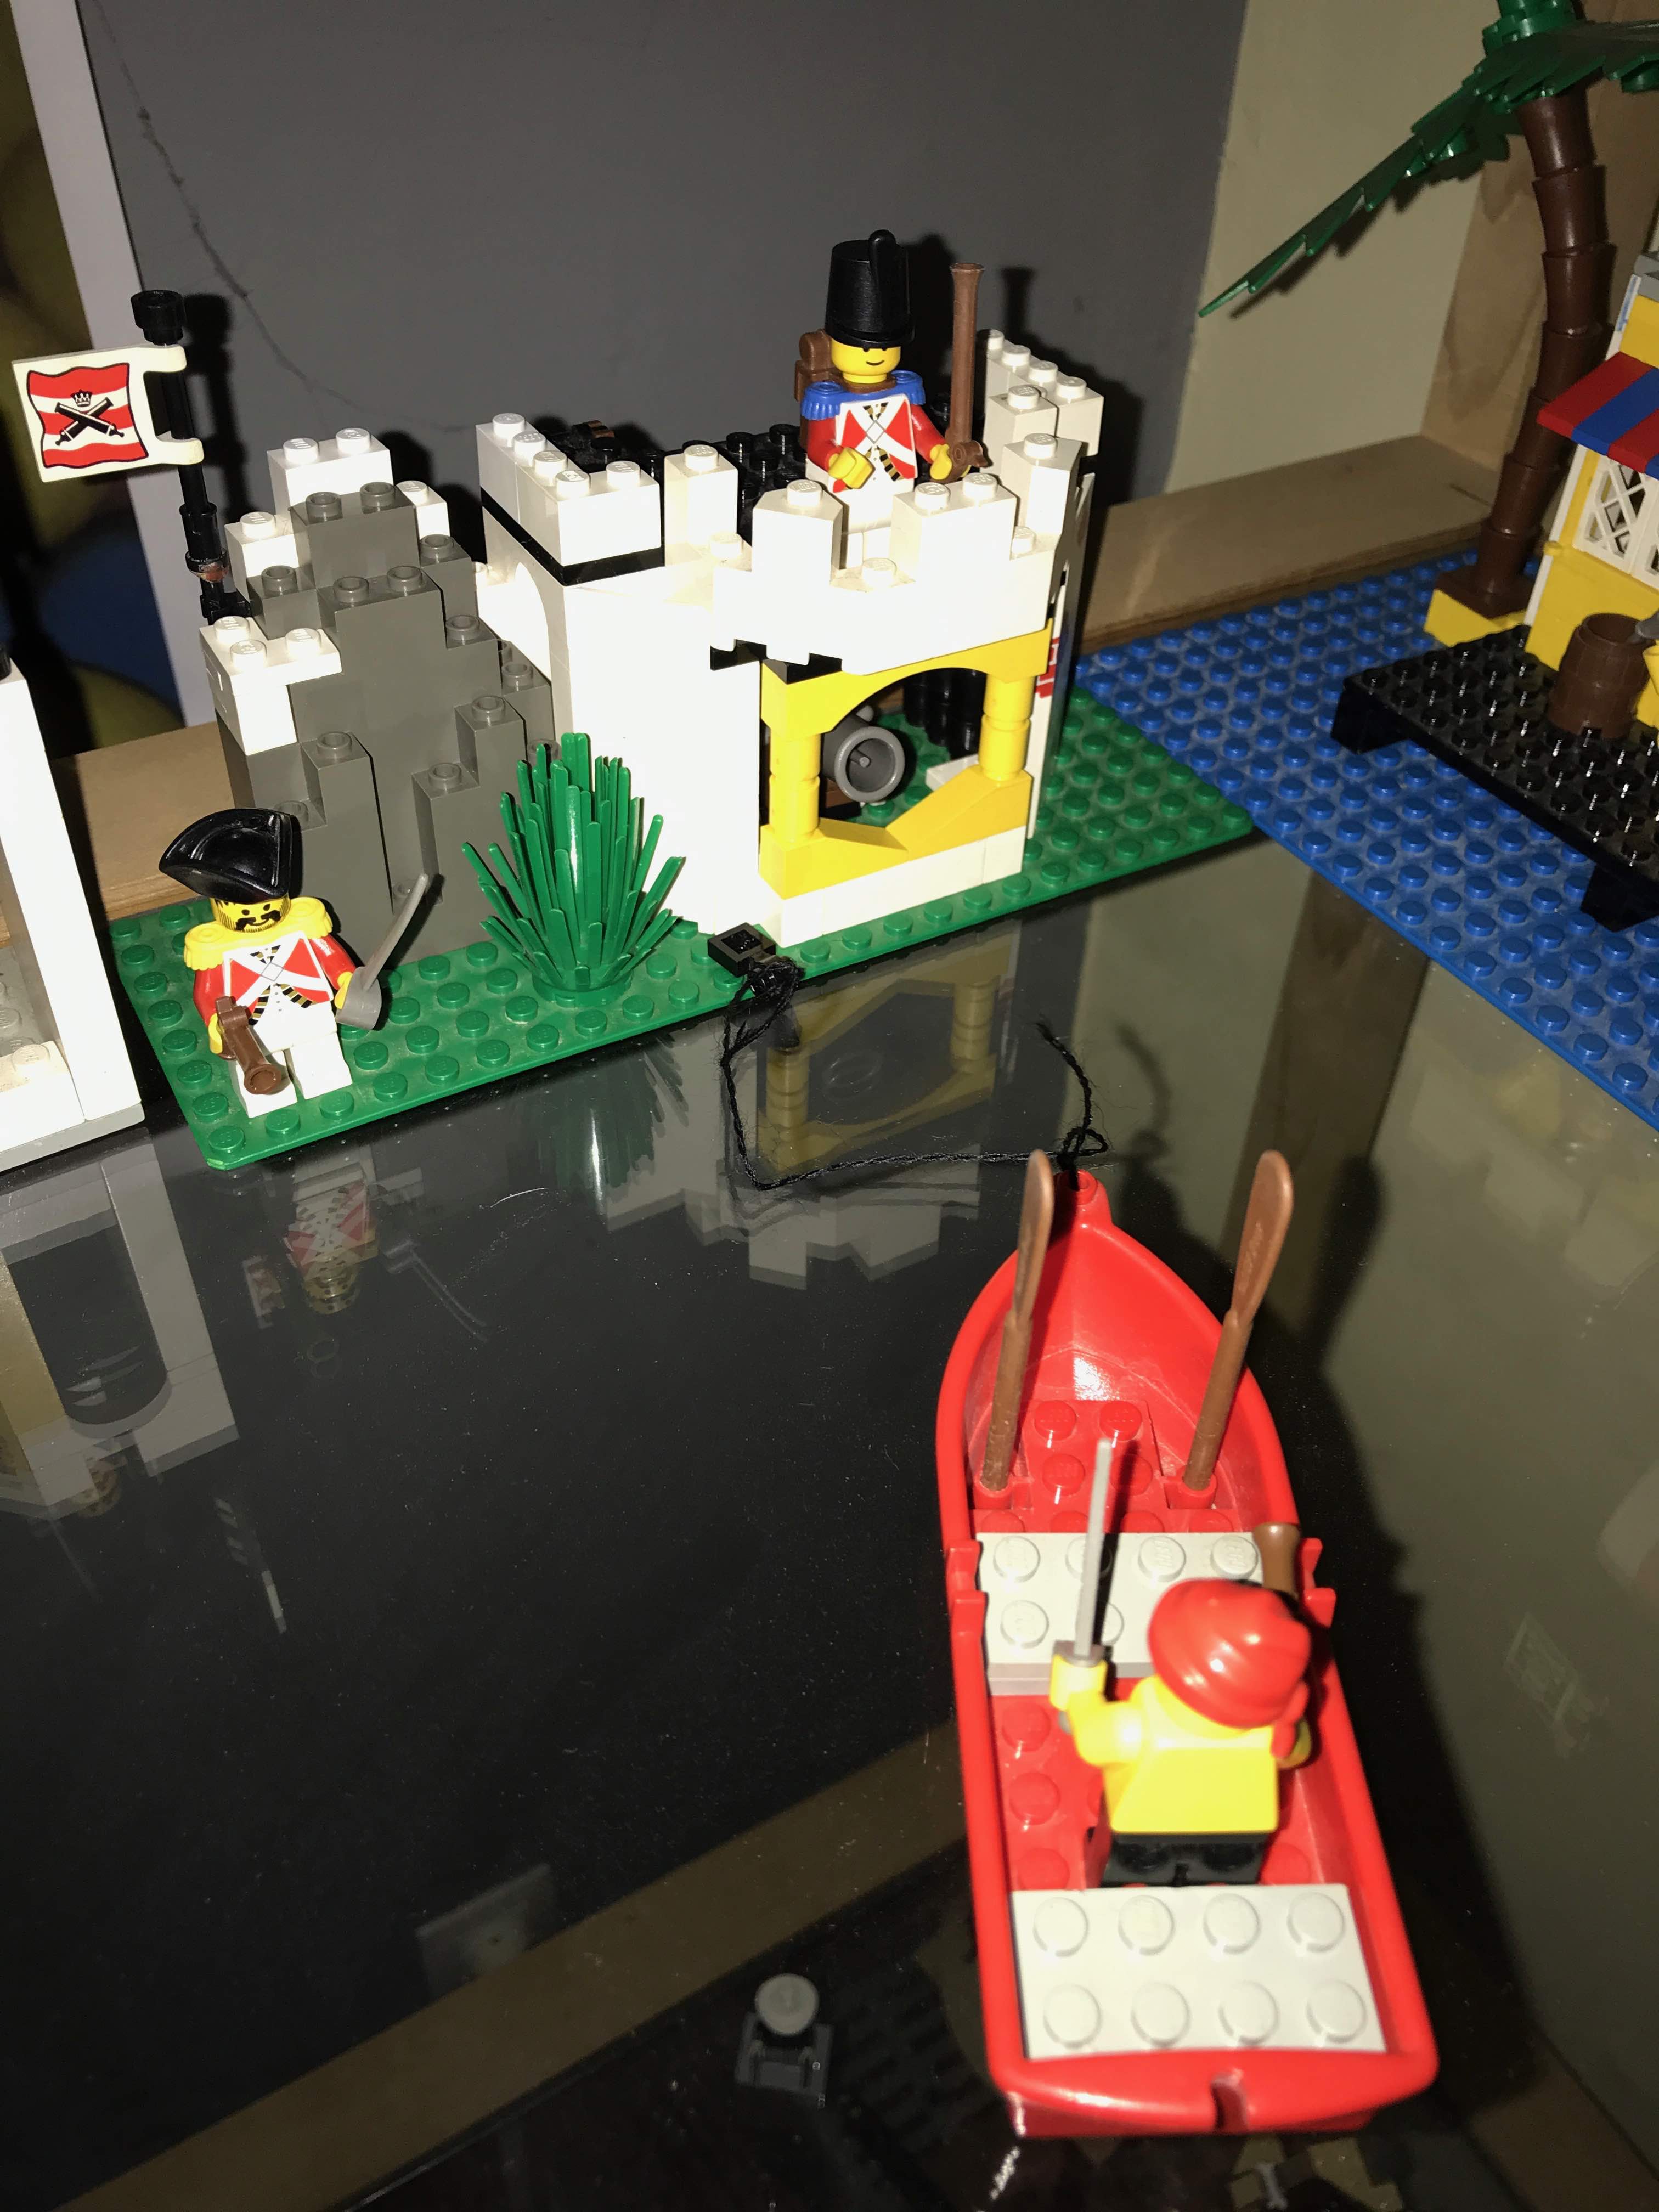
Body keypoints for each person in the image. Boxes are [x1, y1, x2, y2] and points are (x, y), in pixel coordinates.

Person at [1048, 1577, 1312, 1886]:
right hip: (1243, 1834)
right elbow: (1299, 1751)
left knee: (1126, 1874)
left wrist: (1082, 1694)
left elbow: (1093, 1740)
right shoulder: (1271, 1732)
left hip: (1141, 1829)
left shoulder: (1141, 1723)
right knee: (1228, 1876)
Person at [159, 808, 354, 1113]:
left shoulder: (304, 925)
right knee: (263, 1087)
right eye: (244, 910)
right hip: (253, 1025)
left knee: (321, 1061)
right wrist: (215, 1021)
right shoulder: (213, 948)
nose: (259, 917)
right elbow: (207, 992)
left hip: (309, 1010)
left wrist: (347, 980)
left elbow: (331, 957)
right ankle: (269, 1101)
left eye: (267, 905)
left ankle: (323, 1082)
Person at [800, 229, 950, 553]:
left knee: (893, 541)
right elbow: (817, 445)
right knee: (845, 544)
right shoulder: (830, 400)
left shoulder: (904, 392)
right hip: (845, 492)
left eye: (885, 346)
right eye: (863, 346)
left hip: (897, 486)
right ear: (834, 344)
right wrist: (834, 458)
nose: (876, 354)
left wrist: (938, 451)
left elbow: (920, 430)